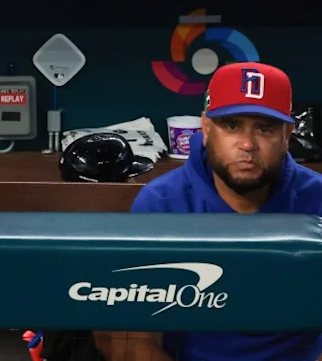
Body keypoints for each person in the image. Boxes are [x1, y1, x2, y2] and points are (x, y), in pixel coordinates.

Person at [102, 62, 322, 361]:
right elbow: (131, 340)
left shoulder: (317, 199)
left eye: (264, 128)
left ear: (287, 134)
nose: (247, 144)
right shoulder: (162, 204)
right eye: (231, 125)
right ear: (206, 129)